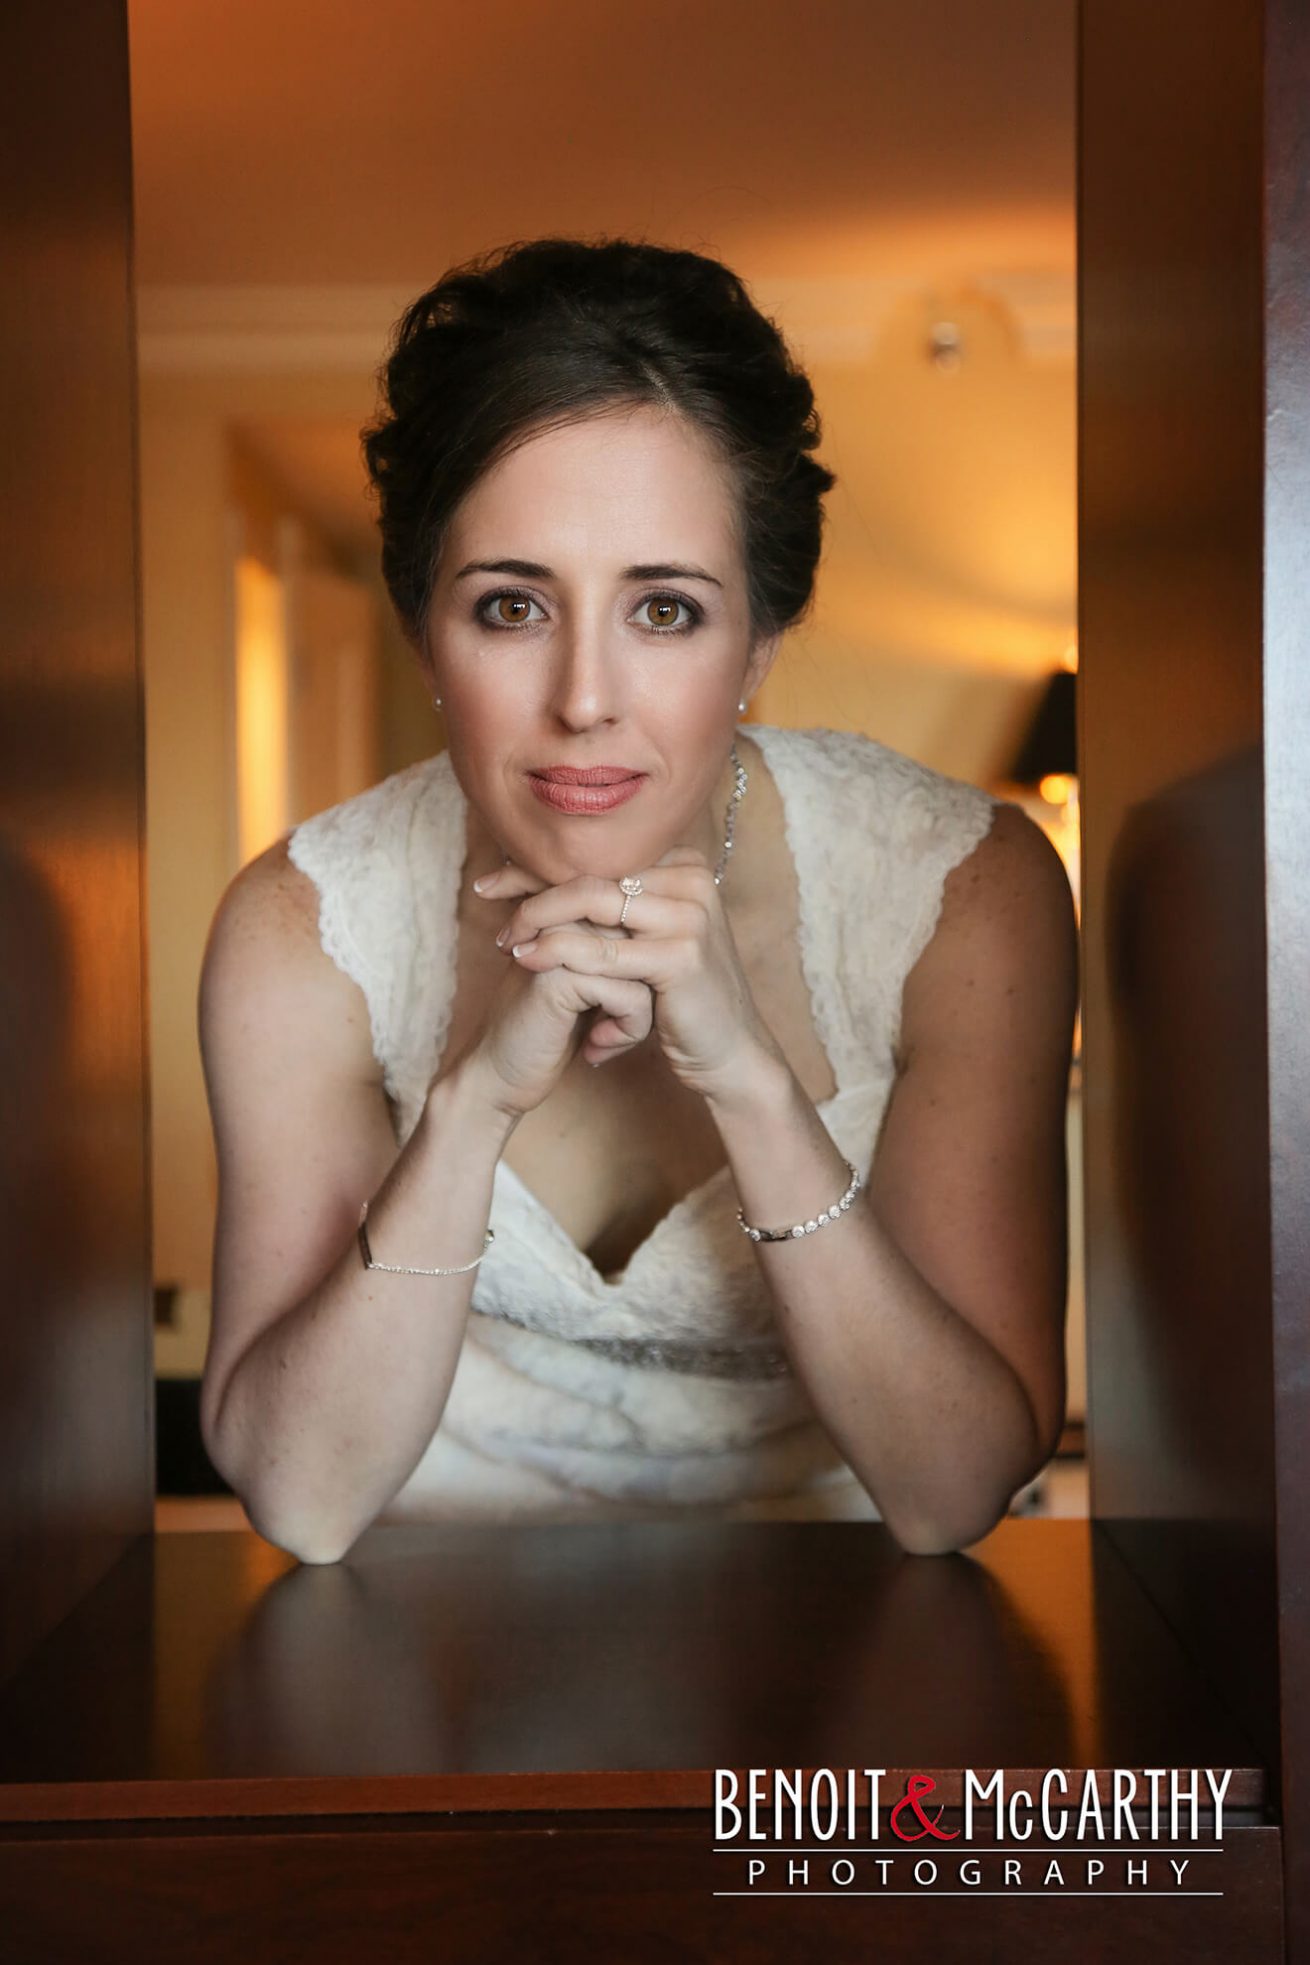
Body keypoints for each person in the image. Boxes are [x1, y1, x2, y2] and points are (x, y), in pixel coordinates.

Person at [196, 238, 1079, 1564]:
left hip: (854, 1638)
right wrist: (470, 1103)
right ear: (421, 629)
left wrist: (749, 1080)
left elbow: (951, 1490)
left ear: (761, 640)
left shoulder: (960, 891)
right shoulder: (303, 923)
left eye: (664, 608)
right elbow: (305, 1502)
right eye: (509, 606)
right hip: (422, 1644)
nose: (584, 695)